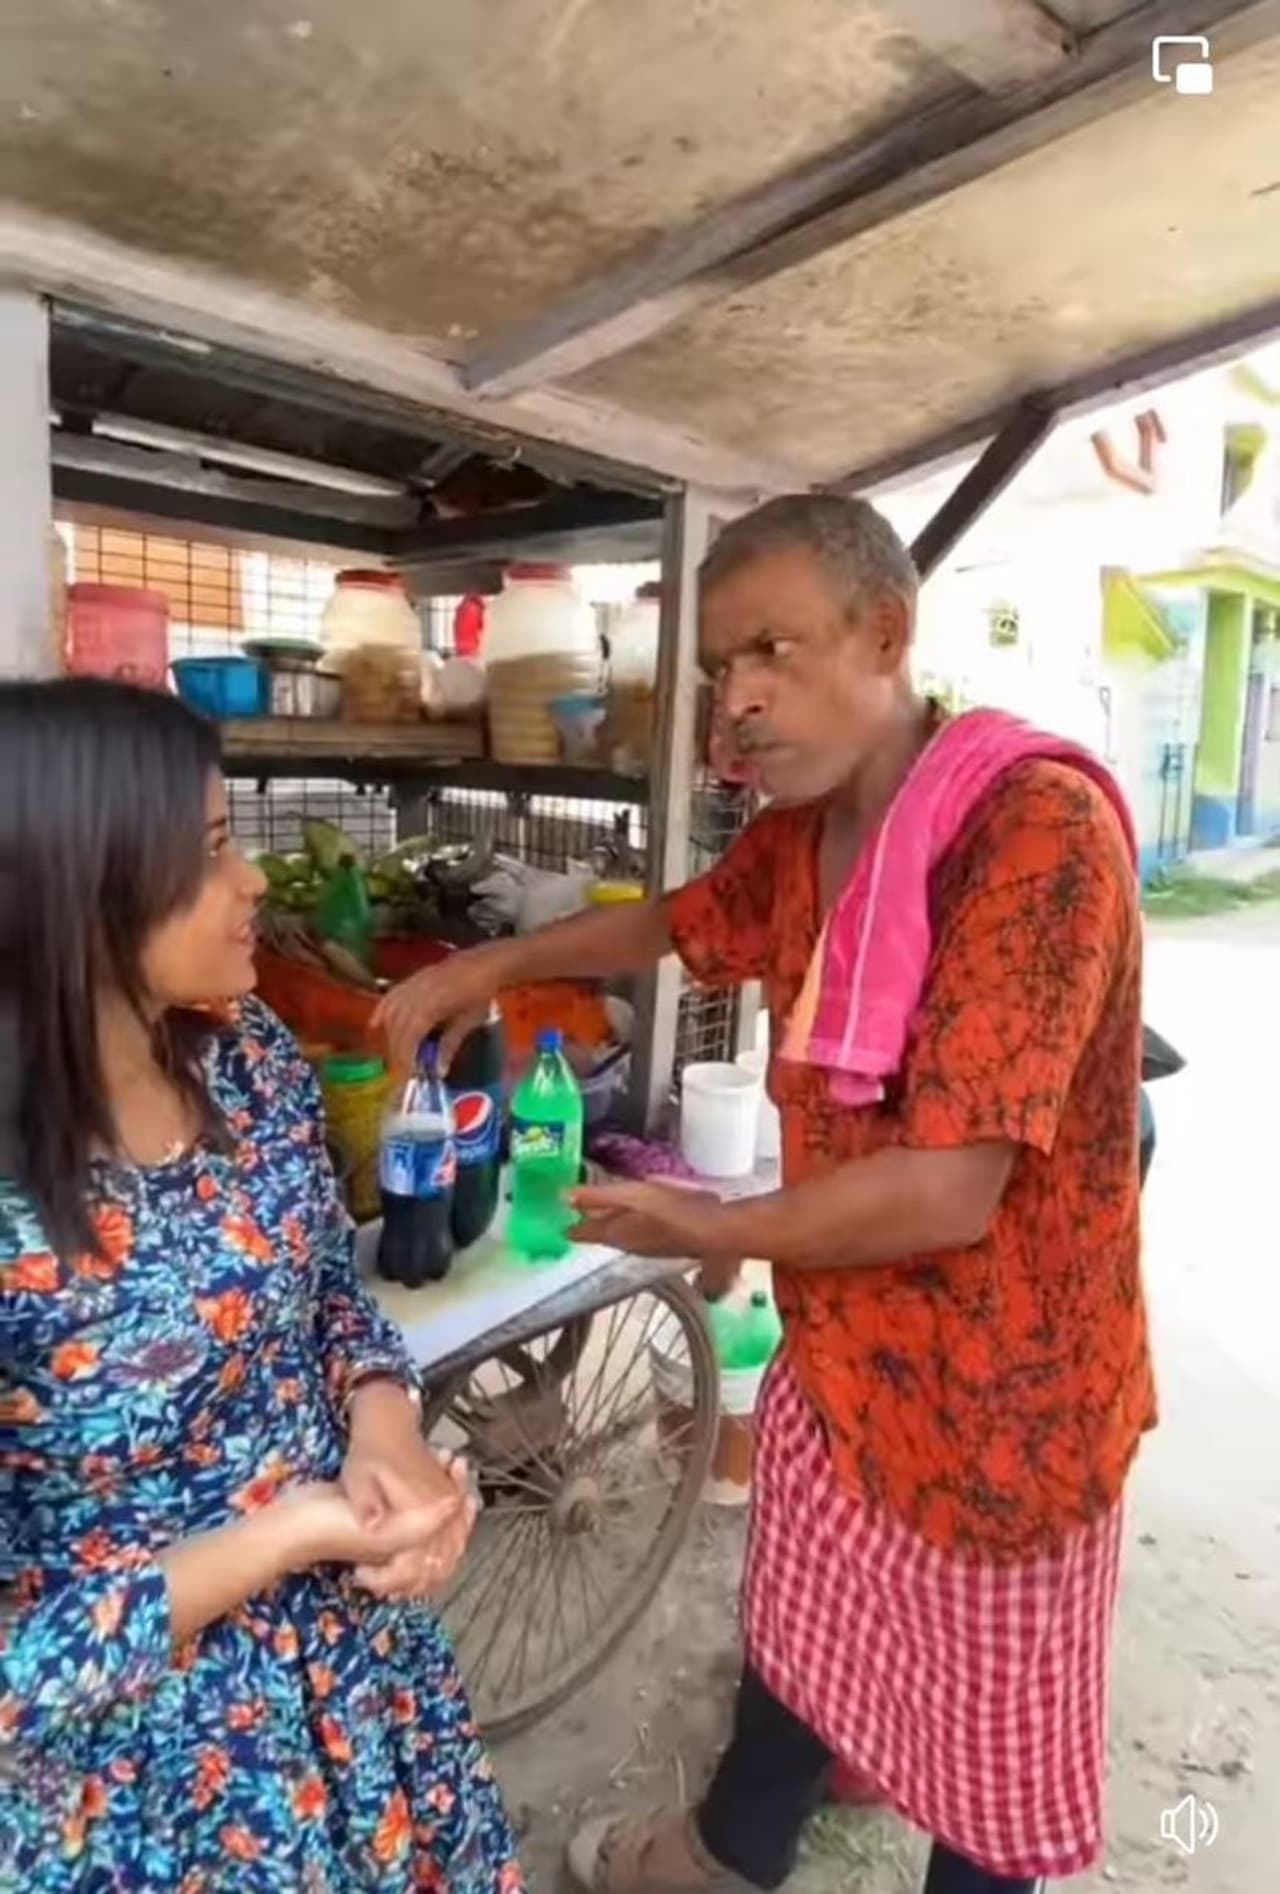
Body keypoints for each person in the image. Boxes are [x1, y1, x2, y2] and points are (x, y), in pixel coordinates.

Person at [377, 494, 1156, 1894]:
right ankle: (735, 1848)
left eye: (772, 652)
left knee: (986, 1781)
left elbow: (949, 1190)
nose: (735, 699)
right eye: (719, 666)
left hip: (1004, 1408)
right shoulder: (806, 834)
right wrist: (488, 965)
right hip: (847, 1352)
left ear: (886, 635)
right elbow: (682, 923)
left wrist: (713, 1225)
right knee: (804, 1632)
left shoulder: (1034, 833)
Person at [0, 679, 522, 1894]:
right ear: (77, 891)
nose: (252, 884)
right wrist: (284, 1534)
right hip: (147, 1781)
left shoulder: (250, 1063)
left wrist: (384, 1427)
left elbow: (325, 1292)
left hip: (356, 1680)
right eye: (212, 850)